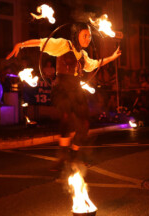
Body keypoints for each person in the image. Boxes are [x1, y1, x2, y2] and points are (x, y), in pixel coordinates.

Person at [6, 22, 121, 170]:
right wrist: (21, 44)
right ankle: (63, 156)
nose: (87, 39)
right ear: (76, 35)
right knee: (66, 116)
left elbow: (96, 64)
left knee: (84, 125)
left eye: (89, 36)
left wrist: (112, 57)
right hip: (61, 88)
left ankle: (73, 155)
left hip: (76, 89)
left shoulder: (84, 55)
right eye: (84, 35)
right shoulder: (63, 44)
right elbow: (41, 42)